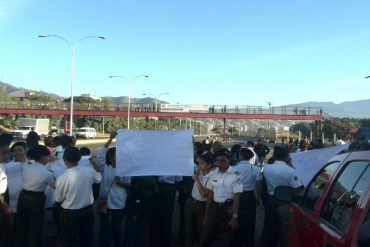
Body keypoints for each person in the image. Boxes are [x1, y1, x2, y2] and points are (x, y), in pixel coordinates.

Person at [55, 146, 102, 247]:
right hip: (87, 211)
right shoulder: (88, 171)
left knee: (69, 241)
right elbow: (99, 178)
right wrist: (94, 163)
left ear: (64, 160)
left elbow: (58, 199)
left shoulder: (62, 178)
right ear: (79, 158)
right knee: (86, 239)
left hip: (69, 214)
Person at [260, 146, 303, 247]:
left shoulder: (267, 168)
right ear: (287, 156)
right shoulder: (291, 171)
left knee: (269, 228)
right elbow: (298, 189)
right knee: (284, 231)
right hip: (285, 203)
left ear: (274, 156)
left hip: (270, 201)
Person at [199, 148, 243, 247]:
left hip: (228, 210)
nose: (219, 163)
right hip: (215, 209)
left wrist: (234, 218)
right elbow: (210, 194)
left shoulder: (237, 175)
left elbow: (237, 197)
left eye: (223, 160)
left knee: (227, 241)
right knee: (205, 239)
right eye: (217, 161)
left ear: (229, 160)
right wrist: (206, 214)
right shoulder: (213, 174)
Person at [15, 145, 55, 247]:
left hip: (23, 196)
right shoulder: (47, 173)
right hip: (37, 199)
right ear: (42, 157)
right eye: (47, 156)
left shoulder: (25, 166)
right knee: (35, 228)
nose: (48, 158)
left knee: (21, 225)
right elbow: (56, 185)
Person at [96, 132, 129, 247]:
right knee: (104, 225)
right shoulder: (105, 167)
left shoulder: (125, 168)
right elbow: (100, 154)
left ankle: (117, 244)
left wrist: (121, 183)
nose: (118, 157)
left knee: (116, 226)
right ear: (110, 157)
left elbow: (129, 185)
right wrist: (110, 140)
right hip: (104, 200)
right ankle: (104, 243)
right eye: (116, 155)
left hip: (119, 201)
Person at [233, 148, 262, 247]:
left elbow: (232, 182)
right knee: (250, 220)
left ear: (240, 156)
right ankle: (249, 242)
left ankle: (238, 241)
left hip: (237, 195)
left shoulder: (234, 168)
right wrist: (258, 198)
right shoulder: (255, 169)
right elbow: (258, 184)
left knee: (237, 217)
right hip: (250, 196)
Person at [185, 152, 213, 247]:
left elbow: (204, 194)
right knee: (189, 230)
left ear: (209, 165)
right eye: (199, 163)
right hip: (191, 202)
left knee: (201, 231)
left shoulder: (212, 177)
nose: (199, 165)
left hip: (201, 206)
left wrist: (197, 180)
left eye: (202, 163)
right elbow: (188, 163)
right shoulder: (199, 170)